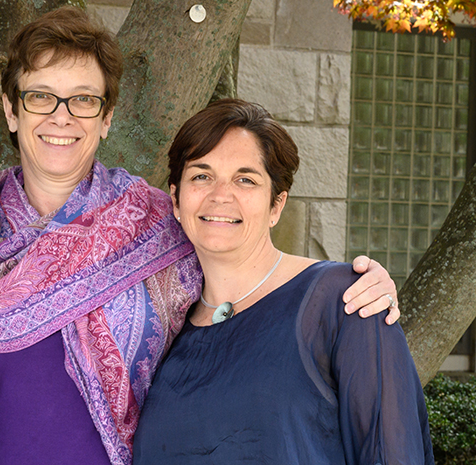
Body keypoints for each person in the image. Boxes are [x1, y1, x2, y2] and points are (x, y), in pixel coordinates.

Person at [0, 8, 400, 465]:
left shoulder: (162, 224)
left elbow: (248, 270)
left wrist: (354, 285)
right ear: (11, 110)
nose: (61, 118)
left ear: (107, 115)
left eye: (83, 100)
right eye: (40, 97)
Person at [133, 99, 433, 464]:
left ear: (276, 205)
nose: (220, 195)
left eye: (245, 179)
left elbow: (391, 452)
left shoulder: (345, 299)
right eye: (201, 175)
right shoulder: (158, 329)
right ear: (177, 199)